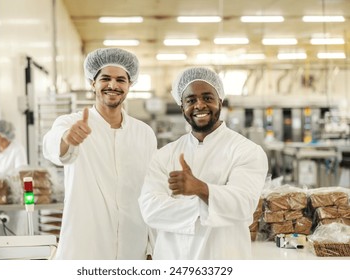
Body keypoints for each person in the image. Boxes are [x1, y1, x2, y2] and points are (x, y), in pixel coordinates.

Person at [138, 67, 268, 260]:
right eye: (191, 100)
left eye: (207, 98)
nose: (199, 105)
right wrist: (211, 207)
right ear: (182, 107)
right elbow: (150, 209)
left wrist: (200, 189)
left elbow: (243, 204)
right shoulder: (165, 155)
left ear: (220, 102)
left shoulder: (246, 151)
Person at [43, 48, 157, 259]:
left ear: (129, 85)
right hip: (85, 246)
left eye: (121, 80)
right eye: (105, 78)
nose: (113, 85)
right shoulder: (71, 123)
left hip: (133, 247)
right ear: (92, 83)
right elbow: (52, 145)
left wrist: (151, 247)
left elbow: (150, 190)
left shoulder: (144, 133)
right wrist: (67, 138)